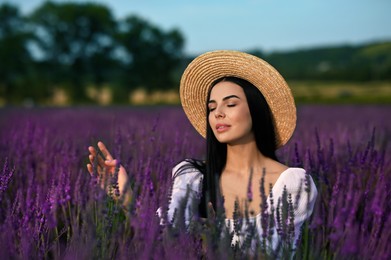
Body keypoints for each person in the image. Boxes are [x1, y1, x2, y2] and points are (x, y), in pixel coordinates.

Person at [87, 50, 318, 256]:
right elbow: (161, 233)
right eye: (211, 107)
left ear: (257, 111)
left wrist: (212, 237)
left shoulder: (293, 183)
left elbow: (271, 250)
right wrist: (126, 197)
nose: (218, 113)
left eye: (230, 104)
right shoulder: (192, 175)